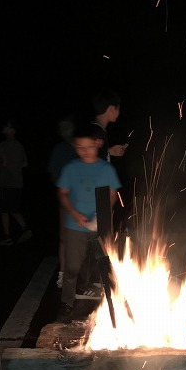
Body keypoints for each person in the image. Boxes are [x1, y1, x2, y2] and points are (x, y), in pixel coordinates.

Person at [56, 123, 121, 320]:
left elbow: (112, 194)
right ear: (75, 147)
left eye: (89, 147)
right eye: (80, 148)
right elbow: (62, 193)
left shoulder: (105, 169)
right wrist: (75, 214)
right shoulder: (70, 169)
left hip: (100, 226)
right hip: (75, 226)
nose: (85, 152)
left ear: (97, 144)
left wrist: (101, 216)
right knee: (72, 267)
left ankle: (112, 304)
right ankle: (67, 303)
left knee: (104, 265)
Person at [0, 119, 31, 246]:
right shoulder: (19, 145)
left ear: (12, 130)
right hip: (17, 181)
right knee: (11, 209)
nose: (4, 127)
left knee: (5, 210)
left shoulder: (3, 145)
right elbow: (24, 163)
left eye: (7, 126)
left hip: (6, 182)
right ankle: (20, 231)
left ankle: (13, 234)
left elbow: (2, 164)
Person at [48, 116, 78, 288]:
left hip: (85, 201)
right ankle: (63, 274)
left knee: (86, 239)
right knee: (64, 237)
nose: (65, 130)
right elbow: (53, 174)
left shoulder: (82, 146)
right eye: (62, 127)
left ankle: (84, 276)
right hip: (66, 200)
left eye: (68, 126)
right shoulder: (59, 149)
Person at [91, 89, 127, 161]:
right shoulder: (98, 134)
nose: (119, 113)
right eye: (118, 109)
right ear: (111, 109)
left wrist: (109, 151)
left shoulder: (94, 129)